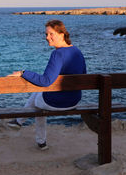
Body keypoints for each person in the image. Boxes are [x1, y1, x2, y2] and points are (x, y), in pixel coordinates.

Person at [7, 20, 87, 150]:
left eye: (51, 34)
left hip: (58, 103)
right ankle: (22, 125)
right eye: (46, 34)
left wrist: (23, 73)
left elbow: (45, 81)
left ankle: (31, 132)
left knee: (38, 100)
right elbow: (83, 75)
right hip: (75, 101)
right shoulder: (77, 52)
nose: (47, 37)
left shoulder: (57, 54)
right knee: (39, 95)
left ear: (61, 34)